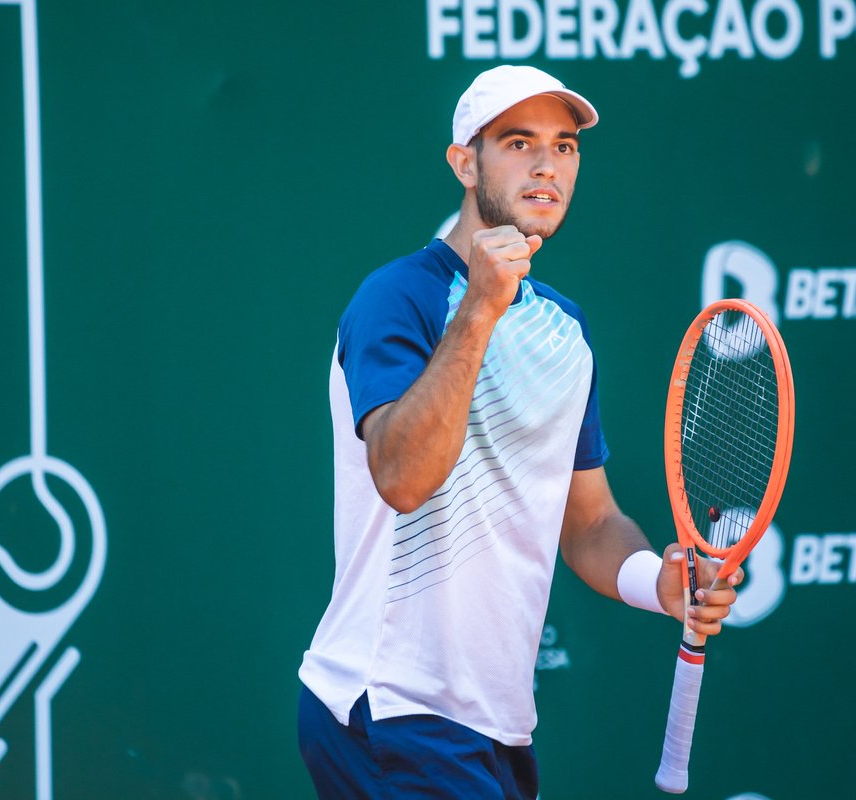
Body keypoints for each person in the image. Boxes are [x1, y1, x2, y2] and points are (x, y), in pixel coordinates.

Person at [297, 65, 743, 799]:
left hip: (496, 729)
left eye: (564, 146)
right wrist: (478, 309)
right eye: (517, 142)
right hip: (389, 711)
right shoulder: (396, 298)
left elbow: (591, 521)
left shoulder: (565, 328)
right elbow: (403, 478)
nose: (546, 165)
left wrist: (657, 582)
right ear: (464, 163)